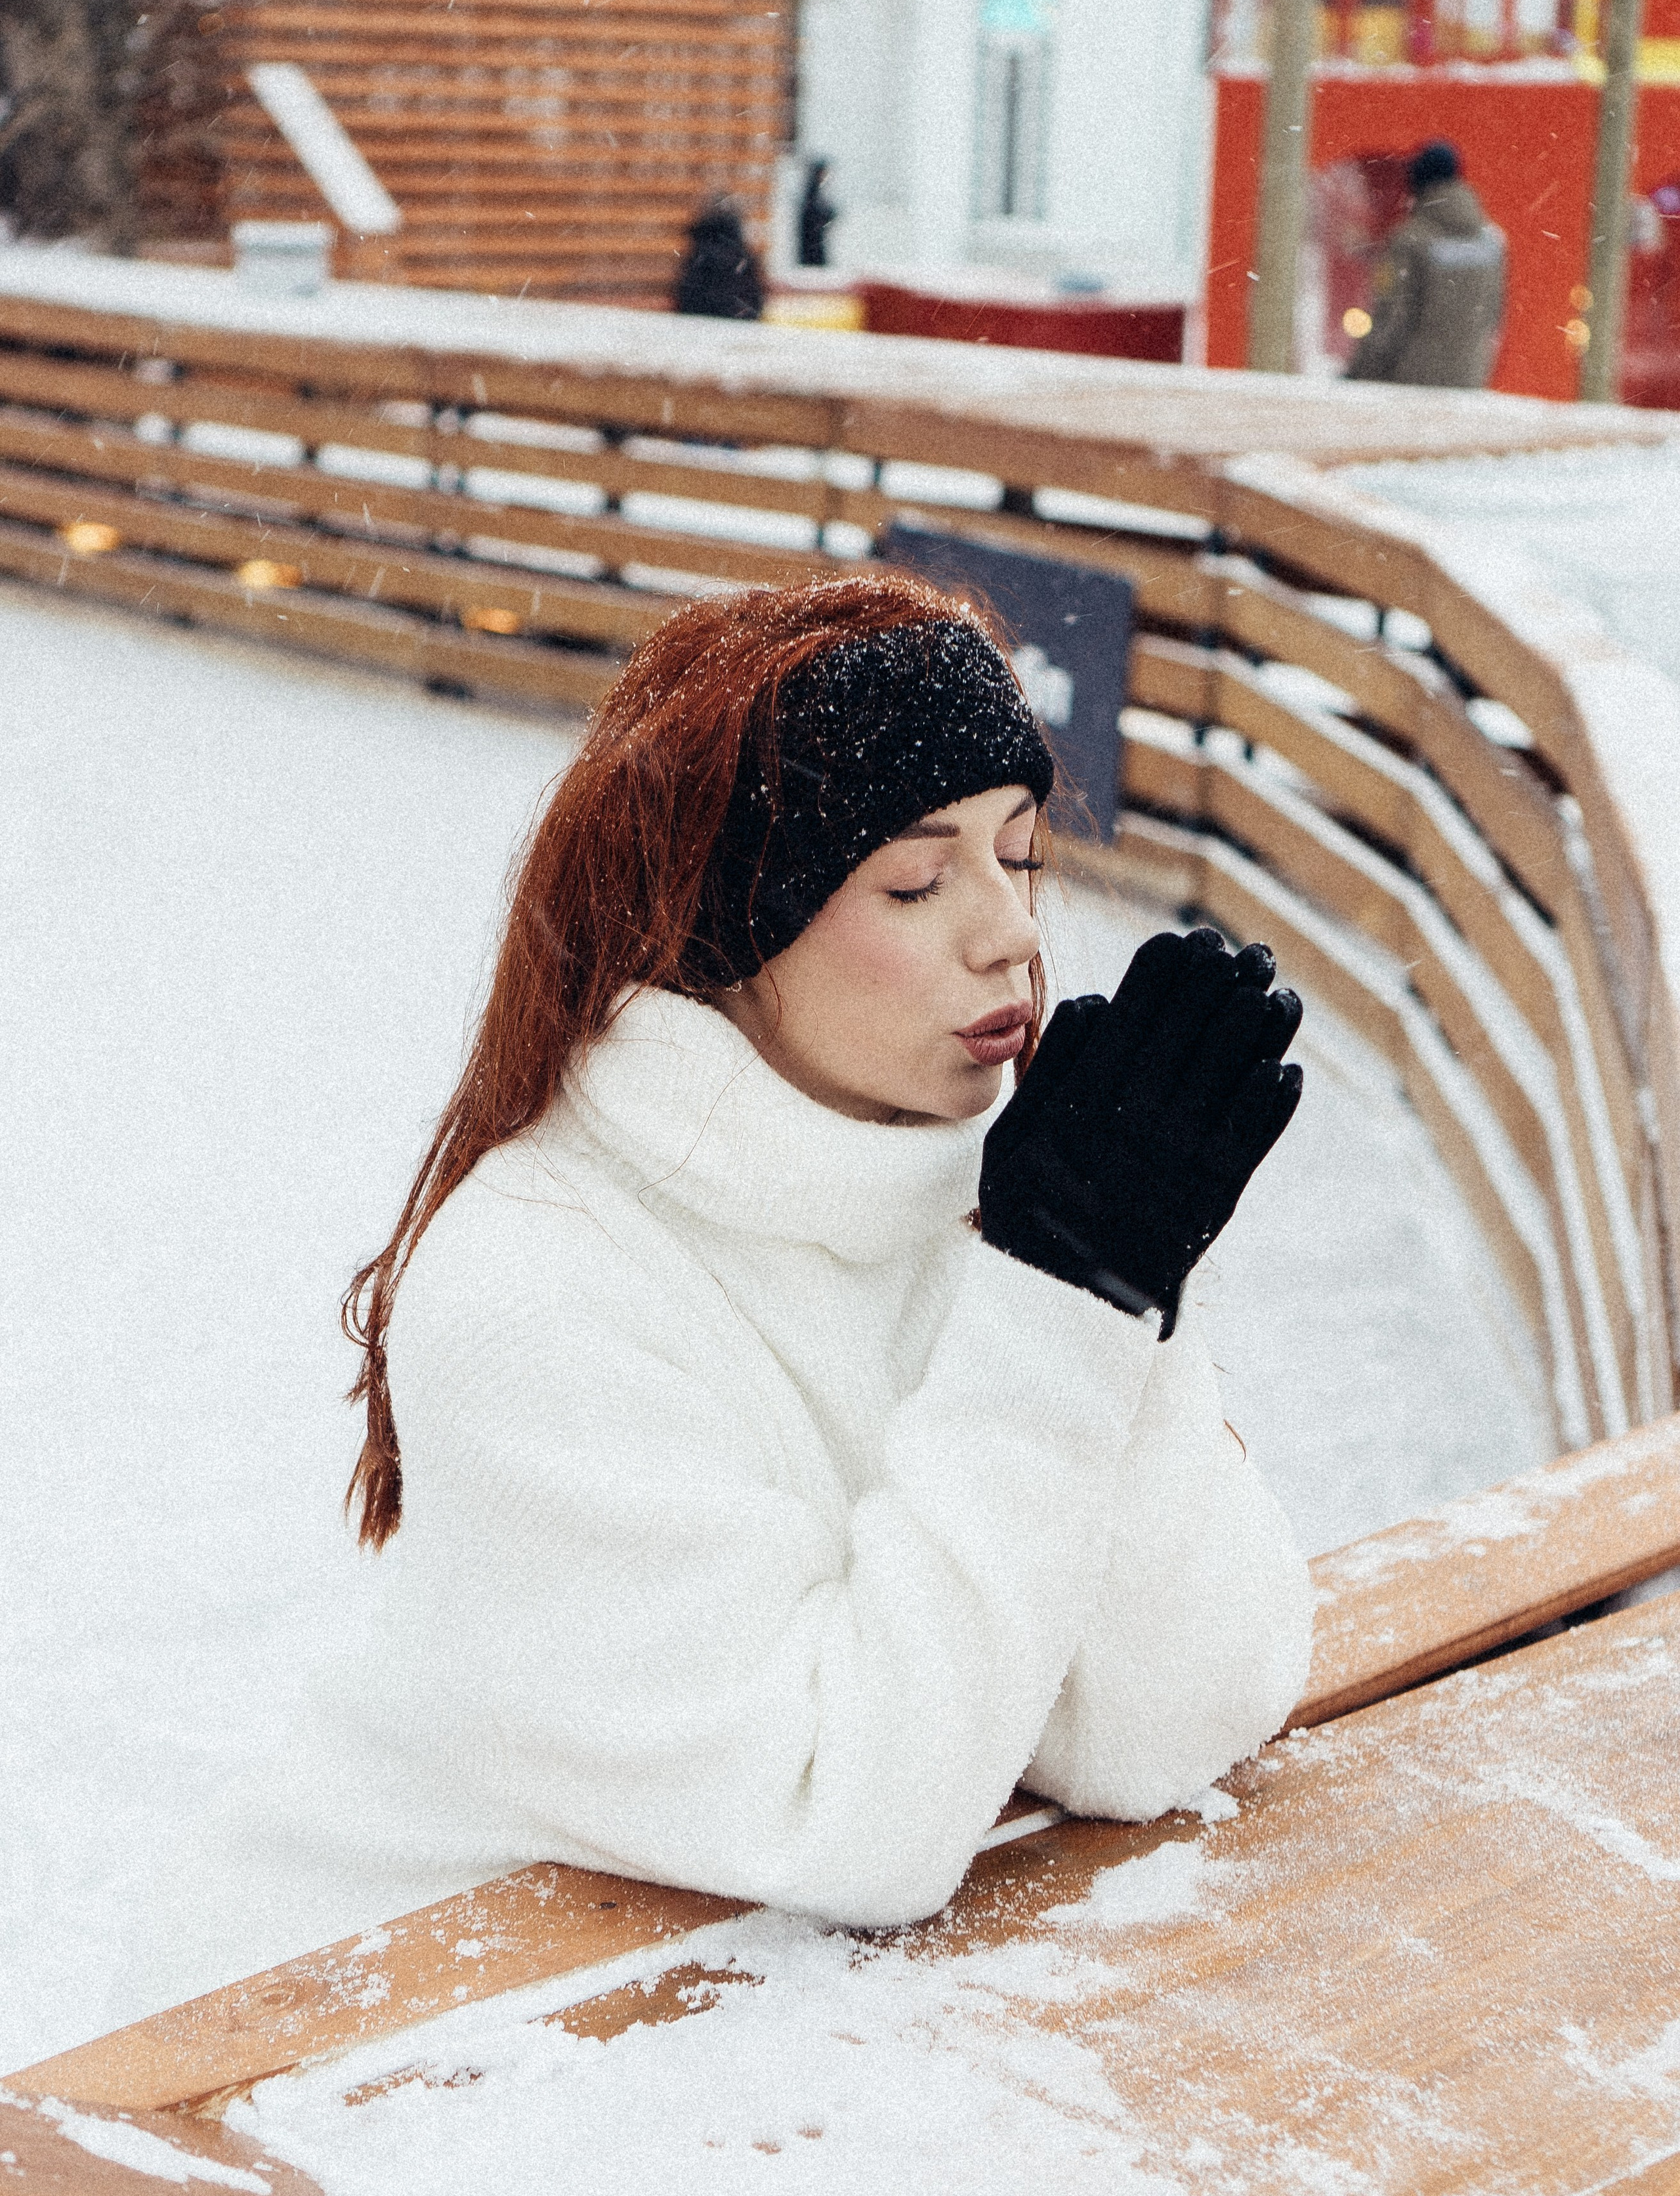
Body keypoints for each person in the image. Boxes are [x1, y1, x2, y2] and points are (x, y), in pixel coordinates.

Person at [119, 576, 1312, 2014]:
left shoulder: (997, 1203)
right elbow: (848, 1818)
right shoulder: (539, 1285)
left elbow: (1165, 1720)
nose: (1008, 933)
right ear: (731, 930)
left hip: (715, 2034)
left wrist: (1120, 1279)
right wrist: (1064, 1303)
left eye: (1019, 854)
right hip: (349, 2042)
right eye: (916, 883)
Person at [1345, 140, 1506, 390]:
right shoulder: (1491, 242)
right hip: (1469, 382)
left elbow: (1392, 318)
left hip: (1411, 385)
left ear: (1419, 181)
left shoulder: (1411, 239)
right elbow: (1493, 316)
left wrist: (1357, 375)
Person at [672, 195, 766, 320]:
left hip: (700, 321)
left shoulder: (700, 253)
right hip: (734, 322)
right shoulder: (741, 254)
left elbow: (686, 294)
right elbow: (754, 299)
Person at [798, 158, 838, 269]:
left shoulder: (814, 192)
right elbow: (813, 216)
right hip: (812, 243)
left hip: (815, 241)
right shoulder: (812, 192)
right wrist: (829, 215)